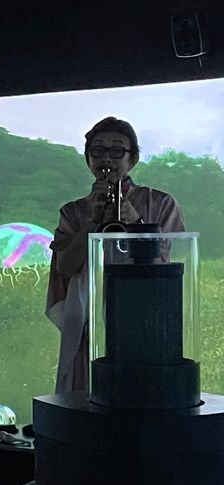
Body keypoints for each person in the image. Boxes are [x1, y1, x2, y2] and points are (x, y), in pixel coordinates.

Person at [45, 117, 185, 393]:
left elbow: (168, 264)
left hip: (145, 317)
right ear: (88, 159)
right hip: (89, 323)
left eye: (117, 150)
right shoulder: (73, 211)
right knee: (90, 394)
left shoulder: (161, 203)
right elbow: (65, 267)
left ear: (132, 160)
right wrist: (92, 222)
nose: (106, 158)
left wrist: (135, 220)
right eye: (98, 150)